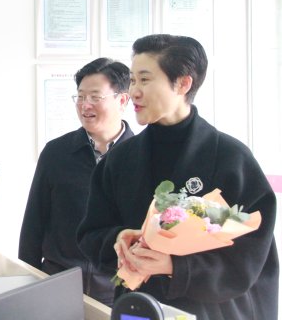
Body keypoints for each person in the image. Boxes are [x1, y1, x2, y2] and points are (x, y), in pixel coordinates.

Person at [76, 35, 279, 319]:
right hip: (138, 308)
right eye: (132, 80)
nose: (134, 92)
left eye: (144, 80)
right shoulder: (120, 158)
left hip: (210, 312)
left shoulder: (232, 159)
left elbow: (249, 259)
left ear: (183, 83)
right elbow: (90, 234)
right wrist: (121, 239)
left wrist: (175, 266)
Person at [18, 58, 134, 306]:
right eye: (80, 97)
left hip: (116, 291)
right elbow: (33, 225)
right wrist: (26, 285)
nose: (85, 105)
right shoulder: (56, 152)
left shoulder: (140, 157)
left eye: (95, 97)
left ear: (123, 100)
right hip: (56, 286)